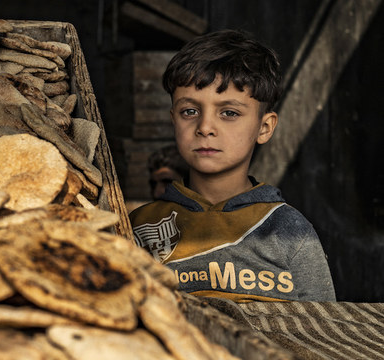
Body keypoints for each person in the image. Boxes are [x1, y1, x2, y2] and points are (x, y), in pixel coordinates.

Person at [129, 29, 336, 302]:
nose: (205, 127)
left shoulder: (290, 231)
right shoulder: (138, 226)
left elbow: (323, 328)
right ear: (173, 120)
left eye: (229, 113)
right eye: (189, 111)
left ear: (264, 127)